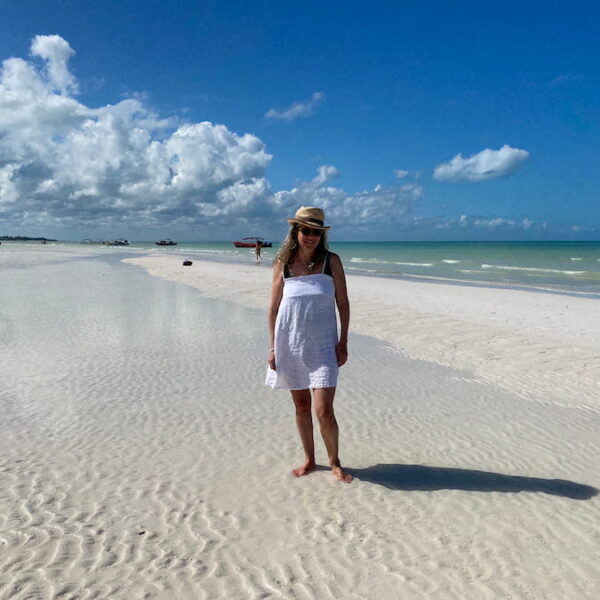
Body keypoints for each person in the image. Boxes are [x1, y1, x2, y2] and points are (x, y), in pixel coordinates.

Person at [266, 206, 352, 483]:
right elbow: (273, 307)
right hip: (289, 345)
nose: (311, 236)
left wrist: (343, 340)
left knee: (323, 410)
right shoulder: (283, 263)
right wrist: (272, 347)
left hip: (324, 347)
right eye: (306, 230)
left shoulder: (331, 261)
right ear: (296, 231)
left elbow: (343, 303)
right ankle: (310, 460)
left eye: (317, 232)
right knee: (301, 407)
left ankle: (335, 462)